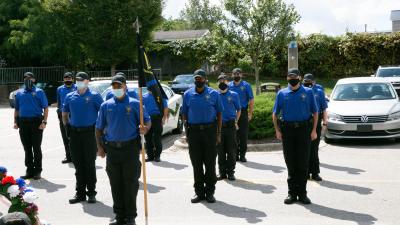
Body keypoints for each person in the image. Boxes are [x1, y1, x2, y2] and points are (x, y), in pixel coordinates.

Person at [96, 74, 151, 225]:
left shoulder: (135, 104)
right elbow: (98, 129)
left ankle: (131, 217)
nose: (117, 88)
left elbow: (147, 121)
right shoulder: (106, 105)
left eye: (119, 86)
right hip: (112, 150)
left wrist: (144, 129)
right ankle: (119, 217)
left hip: (130, 149)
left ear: (125, 86)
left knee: (130, 183)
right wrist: (100, 147)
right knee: (116, 184)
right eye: (114, 86)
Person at [272, 68, 318, 205]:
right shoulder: (282, 93)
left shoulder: (308, 92)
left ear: (299, 77)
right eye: (289, 76)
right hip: (288, 131)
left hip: (304, 130)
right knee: (291, 163)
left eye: (294, 76)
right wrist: (277, 130)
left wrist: (314, 130)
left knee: (303, 164)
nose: (292, 78)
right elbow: (275, 113)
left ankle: (302, 193)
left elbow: (315, 113)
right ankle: (291, 193)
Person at [181, 69, 223, 204]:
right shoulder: (187, 94)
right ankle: (199, 192)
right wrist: (186, 131)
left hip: (209, 132)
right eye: (196, 78)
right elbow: (184, 114)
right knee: (196, 164)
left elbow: (219, 114)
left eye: (200, 78)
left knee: (210, 164)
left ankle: (210, 192)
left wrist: (218, 133)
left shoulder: (214, 94)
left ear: (205, 79)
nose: (198, 80)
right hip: (194, 133)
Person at [62, 72, 103, 204]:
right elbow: (64, 113)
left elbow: (102, 114)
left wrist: (100, 131)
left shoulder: (95, 96)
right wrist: (67, 126)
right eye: (77, 80)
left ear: (87, 81)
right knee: (78, 165)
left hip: (90, 134)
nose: (79, 82)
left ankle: (91, 192)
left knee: (89, 164)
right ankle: (80, 193)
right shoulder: (70, 96)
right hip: (75, 134)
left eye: (81, 80)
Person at [14, 72, 48, 180]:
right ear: (23, 80)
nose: (28, 80)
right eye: (26, 78)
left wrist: (44, 122)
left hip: (36, 123)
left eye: (30, 78)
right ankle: (29, 170)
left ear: (34, 79)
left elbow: (45, 108)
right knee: (27, 148)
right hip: (23, 123)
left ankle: (37, 171)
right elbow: (17, 109)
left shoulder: (39, 92)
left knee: (36, 148)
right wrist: (15, 122)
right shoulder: (19, 93)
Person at [303, 74, 328, 181]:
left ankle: (315, 173)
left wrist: (325, 123)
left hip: (315, 123)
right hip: (304, 123)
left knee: (314, 149)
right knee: (304, 149)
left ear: (314, 81)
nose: (307, 83)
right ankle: (305, 172)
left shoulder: (319, 92)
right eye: (305, 81)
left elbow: (324, 109)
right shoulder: (300, 91)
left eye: (309, 81)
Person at [216, 74, 241, 181]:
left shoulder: (234, 95)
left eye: (224, 80)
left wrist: (236, 120)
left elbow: (239, 109)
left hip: (230, 126)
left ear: (227, 82)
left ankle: (231, 172)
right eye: (220, 80)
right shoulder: (215, 95)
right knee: (220, 151)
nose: (222, 82)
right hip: (219, 127)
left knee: (231, 151)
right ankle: (222, 172)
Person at [228, 68, 254, 162]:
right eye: (235, 74)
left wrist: (250, 114)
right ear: (232, 75)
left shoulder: (246, 85)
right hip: (231, 113)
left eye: (238, 74)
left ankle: (242, 155)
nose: (236, 75)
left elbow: (251, 100)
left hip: (243, 112)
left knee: (243, 135)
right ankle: (235, 155)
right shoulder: (229, 85)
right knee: (233, 135)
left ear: (241, 75)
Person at [56, 72, 76, 164]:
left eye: (69, 78)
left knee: (74, 135)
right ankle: (68, 156)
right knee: (65, 135)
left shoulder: (76, 88)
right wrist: (59, 112)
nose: (68, 80)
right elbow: (59, 102)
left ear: (72, 79)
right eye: (66, 78)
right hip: (63, 114)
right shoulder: (59, 89)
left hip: (74, 114)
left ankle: (75, 155)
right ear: (63, 79)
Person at [143, 90, 168, 162]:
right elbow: (140, 107)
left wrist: (164, 118)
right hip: (147, 119)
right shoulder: (144, 96)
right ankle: (150, 156)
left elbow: (165, 107)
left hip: (157, 118)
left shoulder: (160, 95)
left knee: (157, 138)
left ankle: (157, 156)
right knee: (148, 138)